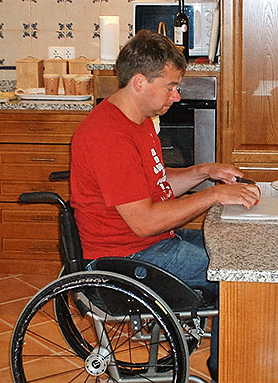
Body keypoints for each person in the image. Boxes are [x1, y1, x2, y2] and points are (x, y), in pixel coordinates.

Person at [70, 29, 260, 382]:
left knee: (236, 255)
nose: (177, 94)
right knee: (237, 276)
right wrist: (213, 195)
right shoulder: (108, 136)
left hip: (150, 245)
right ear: (140, 82)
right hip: (125, 260)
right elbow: (143, 221)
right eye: (171, 85)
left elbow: (157, 185)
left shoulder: (138, 122)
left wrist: (204, 172)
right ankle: (227, 372)